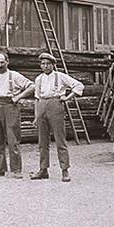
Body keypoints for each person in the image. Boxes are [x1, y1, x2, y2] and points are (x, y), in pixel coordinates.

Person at [30, 52, 84, 183]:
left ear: (53, 65)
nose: (45, 66)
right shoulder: (38, 79)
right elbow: (37, 98)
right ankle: (43, 170)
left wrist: (67, 97)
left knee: (60, 140)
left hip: (56, 105)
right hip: (42, 105)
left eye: (48, 64)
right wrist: (36, 116)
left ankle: (65, 170)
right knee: (42, 141)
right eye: (43, 64)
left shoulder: (60, 77)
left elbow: (79, 85)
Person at [0, 51, 34, 179]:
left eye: (2, 62)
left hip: (11, 106)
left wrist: (19, 97)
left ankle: (16, 170)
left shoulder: (14, 75)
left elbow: (31, 86)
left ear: (7, 62)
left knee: (12, 139)